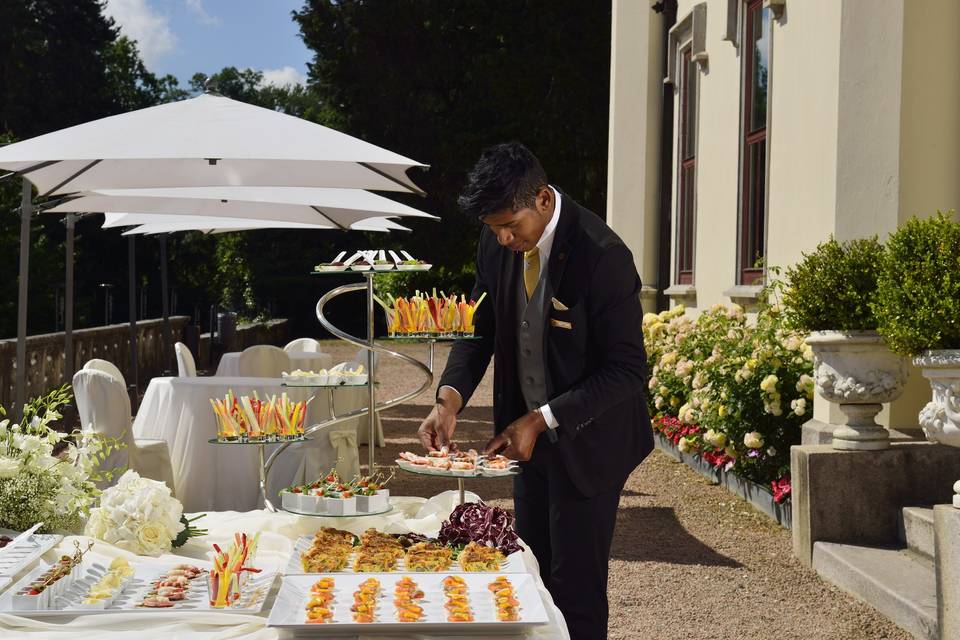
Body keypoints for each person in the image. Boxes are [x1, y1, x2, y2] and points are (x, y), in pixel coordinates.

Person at [417, 142, 654, 639]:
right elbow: (480, 329)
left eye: (511, 226)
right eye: (493, 229)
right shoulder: (496, 241)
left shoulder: (603, 255)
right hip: (525, 444)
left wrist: (541, 418)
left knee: (577, 589)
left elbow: (629, 370)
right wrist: (449, 399)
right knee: (531, 577)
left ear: (543, 200)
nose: (503, 239)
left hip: (592, 440)